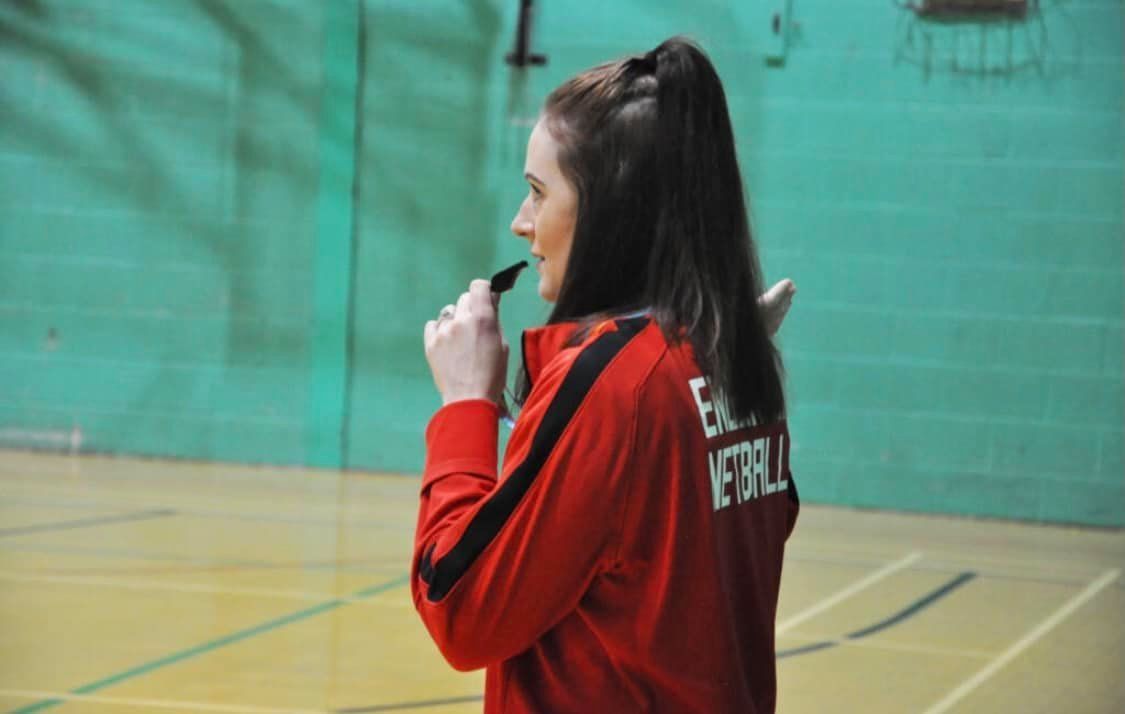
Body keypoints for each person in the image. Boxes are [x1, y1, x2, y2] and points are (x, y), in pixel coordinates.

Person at [414, 37, 798, 713]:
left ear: (608, 212)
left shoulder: (616, 386)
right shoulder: (725, 357)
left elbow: (461, 608)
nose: (520, 223)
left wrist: (465, 407)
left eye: (538, 193)